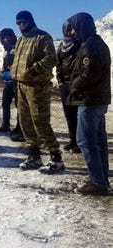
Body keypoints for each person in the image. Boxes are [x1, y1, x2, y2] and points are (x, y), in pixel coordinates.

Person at [10, 11, 62, 173]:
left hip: (37, 87)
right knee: (25, 121)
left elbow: (51, 59)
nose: (21, 26)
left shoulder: (42, 38)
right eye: (18, 23)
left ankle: (56, 157)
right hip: (21, 85)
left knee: (40, 121)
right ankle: (34, 155)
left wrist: (33, 70)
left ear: (30, 21)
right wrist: (13, 70)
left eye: (23, 22)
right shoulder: (21, 40)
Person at [65, 12, 111, 196]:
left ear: (83, 26)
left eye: (75, 27)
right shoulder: (95, 43)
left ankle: (97, 181)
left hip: (90, 100)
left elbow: (90, 72)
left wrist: (73, 85)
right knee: (98, 142)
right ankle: (101, 179)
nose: (73, 32)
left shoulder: (91, 45)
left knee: (85, 141)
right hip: (97, 99)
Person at [56, 20, 81, 153]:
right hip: (64, 85)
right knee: (68, 114)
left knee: (77, 113)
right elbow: (58, 64)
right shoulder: (61, 45)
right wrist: (59, 80)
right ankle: (72, 139)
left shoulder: (79, 44)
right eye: (68, 29)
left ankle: (79, 141)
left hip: (75, 84)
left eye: (71, 29)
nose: (70, 31)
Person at [0, 28, 22, 141]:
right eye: (4, 37)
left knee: (19, 105)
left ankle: (20, 128)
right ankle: (6, 125)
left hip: (17, 82)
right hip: (8, 82)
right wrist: (3, 72)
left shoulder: (17, 48)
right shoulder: (6, 50)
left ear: (12, 36)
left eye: (8, 36)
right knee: (5, 103)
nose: (6, 39)